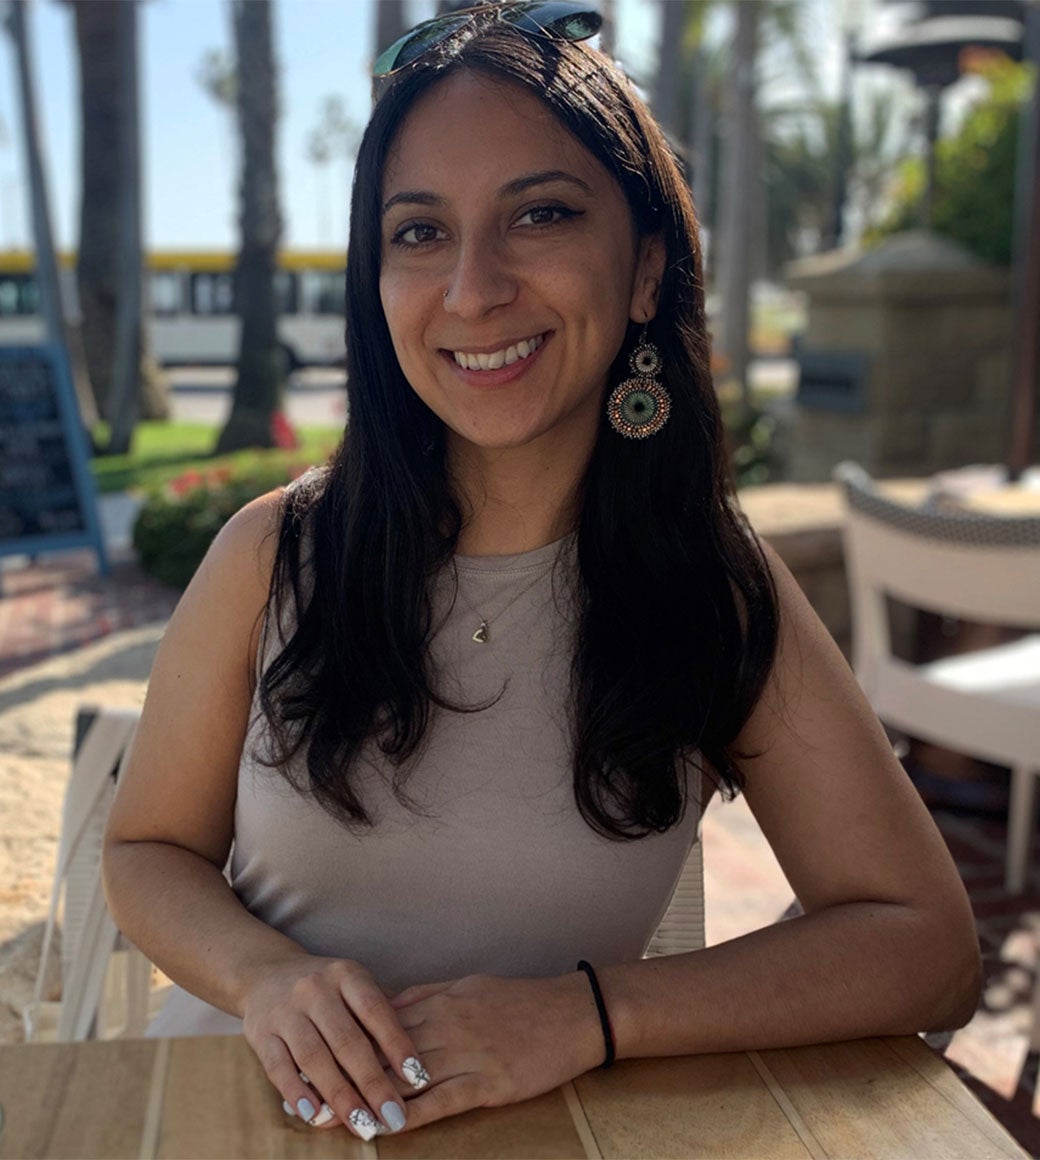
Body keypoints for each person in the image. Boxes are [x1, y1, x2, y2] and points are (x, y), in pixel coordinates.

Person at [103, 0, 981, 1142]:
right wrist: (266, 976)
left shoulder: (708, 586)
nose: (471, 289)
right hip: (230, 1121)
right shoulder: (275, 555)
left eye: (541, 214)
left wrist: (589, 1015)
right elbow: (145, 851)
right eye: (418, 232)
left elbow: (923, 943)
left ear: (645, 269)